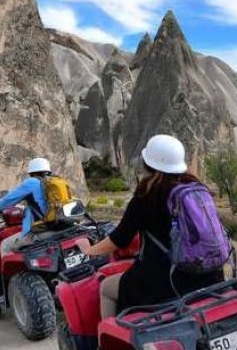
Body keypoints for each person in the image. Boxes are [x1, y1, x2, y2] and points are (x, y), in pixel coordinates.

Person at [76, 135, 226, 318]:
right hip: (211, 274)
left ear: (148, 165)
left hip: (168, 280)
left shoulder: (147, 196)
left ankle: (107, 344)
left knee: (107, 288)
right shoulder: (197, 188)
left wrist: (89, 250)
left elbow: (119, 240)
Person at [0, 157, 53, 256]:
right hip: (60, 225)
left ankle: (16, 272)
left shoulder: (31, 182)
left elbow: (7, 200)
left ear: (32, 172)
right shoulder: (55, 182)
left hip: (42, 230)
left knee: (5, 245)